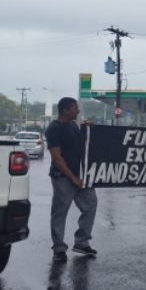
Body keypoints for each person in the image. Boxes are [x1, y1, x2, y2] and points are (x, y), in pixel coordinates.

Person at [46, 97, 98, 263]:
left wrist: (88, 129)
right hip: (63, 177)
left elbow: (83, 144)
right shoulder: (54, 129)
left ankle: (82, 242)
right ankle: (59, 248)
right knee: (60, 213)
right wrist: (72, 178)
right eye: (75, 108)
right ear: (66, 110)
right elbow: (56, 157)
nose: (78, 111)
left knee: (90, 205)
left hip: (81, 176)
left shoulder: (73, 126)